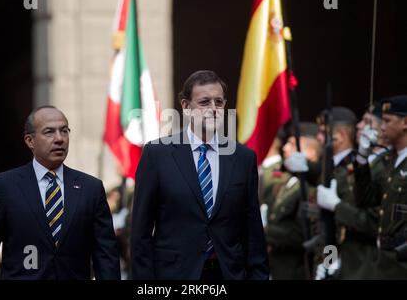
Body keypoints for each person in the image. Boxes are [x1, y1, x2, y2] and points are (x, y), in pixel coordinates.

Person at [131, 70, 269, 280]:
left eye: (219, 102)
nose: (213, 109)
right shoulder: (157, 154)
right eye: (204, 102)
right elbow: (140, 232)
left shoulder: (243, 158)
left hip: (228, 273)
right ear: (186, 107)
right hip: (174, 275)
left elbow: (253, 232)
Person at [0, 106, 120, 279]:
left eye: (64, 131)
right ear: (30, 141)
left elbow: (106, 256)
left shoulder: (91, 188)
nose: (59, 139)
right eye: (49, 132)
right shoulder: (3, 187)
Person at [315, 107, 379, 279]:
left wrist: (331, 259)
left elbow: (338, 226)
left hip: (351, 258)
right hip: (328, 251)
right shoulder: (328, 166)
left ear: (341, 136)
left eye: (324, 132)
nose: (318, 138)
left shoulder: (354, 168)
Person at [355, 95, 407, 279]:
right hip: (382, 259)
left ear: (405, 123)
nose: (382, 127)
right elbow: (365, 199)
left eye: (387, 121)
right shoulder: (388, 159)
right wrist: (361, 158)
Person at [265, 122, 321, 280]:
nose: (285, 148)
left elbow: (303, 234)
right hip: (276, 265)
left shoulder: (310, 188)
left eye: (292, 144)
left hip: (295, 268)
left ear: (309, 152)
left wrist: (266, 231)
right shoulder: (288, 181)